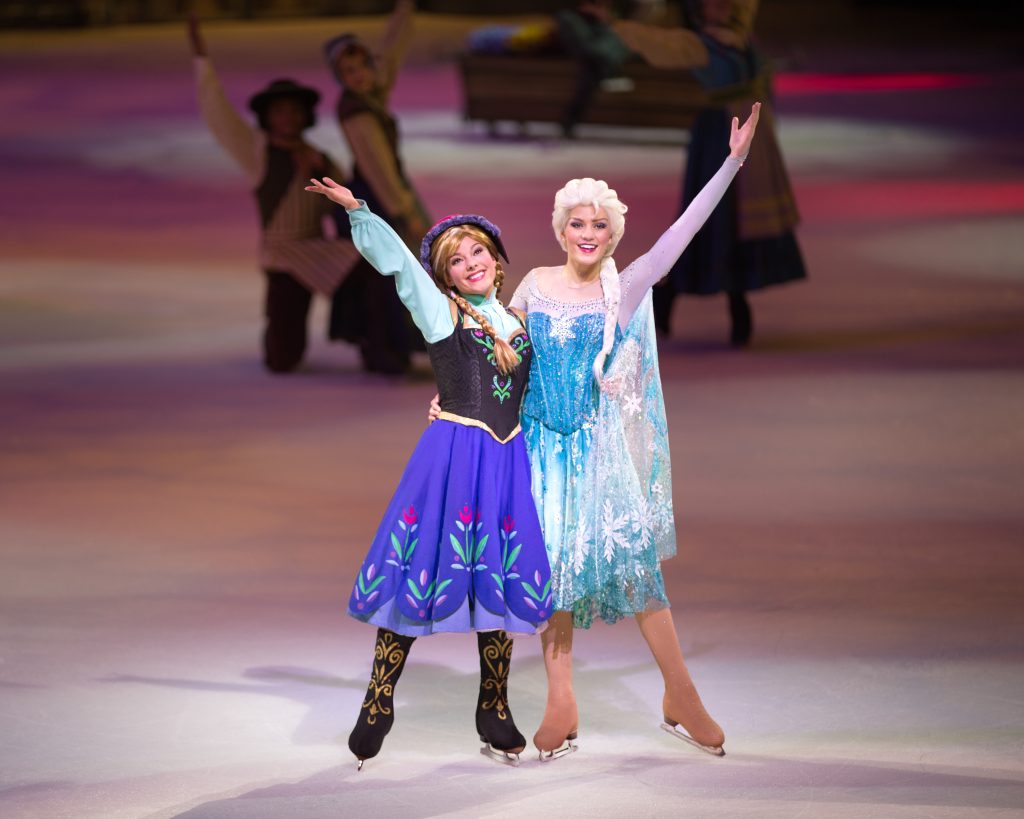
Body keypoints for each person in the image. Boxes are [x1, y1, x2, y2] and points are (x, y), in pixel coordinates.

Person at [432, 102, 760, 760]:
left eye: (600, 223)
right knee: (553, 577)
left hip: (596, 449)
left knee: (637, 571)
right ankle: (562, 701)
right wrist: (452, 403)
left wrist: (732, 162)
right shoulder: (531, 284)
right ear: (561, 229)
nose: (589, 231)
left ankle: (681, 693)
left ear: (612, 233)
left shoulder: (626, 286)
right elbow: (496, 352)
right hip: (536, 452)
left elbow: (680, 235)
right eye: (578, 222)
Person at [305, 176, 553, 768]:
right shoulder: (443, 317)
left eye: (478, 252)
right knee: (421, 571)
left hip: (506, 462)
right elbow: (399, 268)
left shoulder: (520, 323)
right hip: (452, 461)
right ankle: (378, 698)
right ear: (443, 277)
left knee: (498, 576)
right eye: (455, 260)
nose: (470, 263)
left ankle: (493, 704)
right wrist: (360, 212)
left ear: (497, 261)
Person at [187, 15, 414, 374]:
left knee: (374, 270)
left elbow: (347, 199)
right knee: (283, 358)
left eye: (293, 110)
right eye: (279, 112)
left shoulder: (319, 158)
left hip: (318, 250)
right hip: (283, 257)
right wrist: (202, 61)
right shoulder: (258, 153)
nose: (288, 118)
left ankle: (379, 347)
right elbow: (219, 115)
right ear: (267, 117)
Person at [615, 0, 806, 345]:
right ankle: (675, 296)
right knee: (711, 216)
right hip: (718, 134)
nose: (721, 6)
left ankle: (732, 299)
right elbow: (651, 42)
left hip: (751, 138)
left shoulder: (741, 38)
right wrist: (613, 25)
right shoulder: (696, 44)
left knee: (739, 222)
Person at [323, 0, 430, 249]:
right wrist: (405, 213)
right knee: (414, 257)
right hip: (382, 198)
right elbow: (378, 166)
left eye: (363, 66)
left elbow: (390, 52)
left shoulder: (370, 94)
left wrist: (405, 9)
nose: (359, 74)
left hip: (392, 192)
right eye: (349, 71)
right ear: (340, 78)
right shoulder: (357, 113)